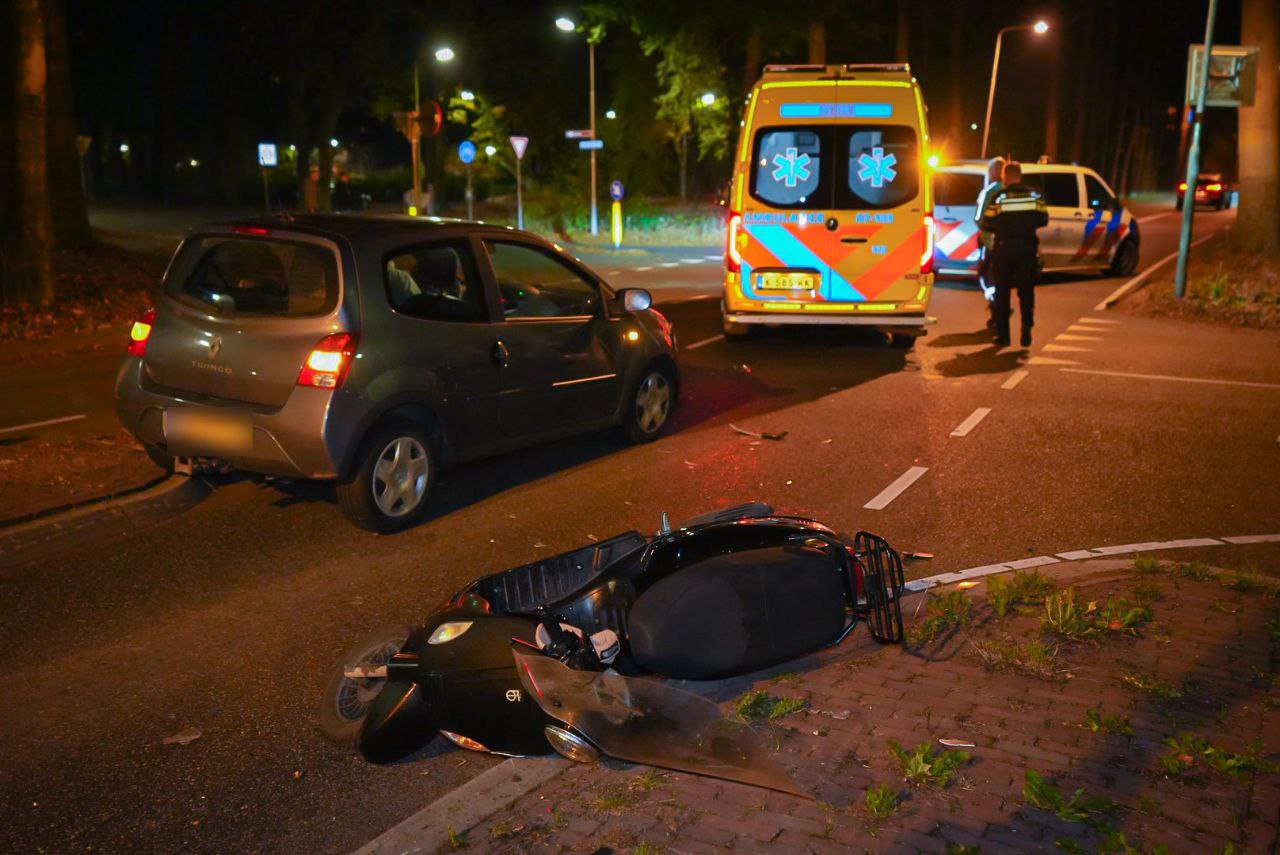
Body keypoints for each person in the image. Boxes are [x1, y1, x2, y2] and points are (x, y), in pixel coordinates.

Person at [980, 161, 1048, 347]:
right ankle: (1026, 328)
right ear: (1020, 175)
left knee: (1002, 292)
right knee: (1026, 291)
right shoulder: (1035, 196)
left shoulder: (1000, 197)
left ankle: (1004, 337)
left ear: (1005, 176)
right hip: (1027, 249)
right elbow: (1043, 220)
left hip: (1004, 248)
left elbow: (987, 222)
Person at [973, 157, 1005, 328]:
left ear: (994, 172)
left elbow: (979, 219)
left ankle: (996, 308)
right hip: (1008, 242)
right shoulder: (1011, 191)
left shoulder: (989, 192)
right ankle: (1000, 310)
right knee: (1003, 278)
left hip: (989, 241)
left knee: (987, 277)